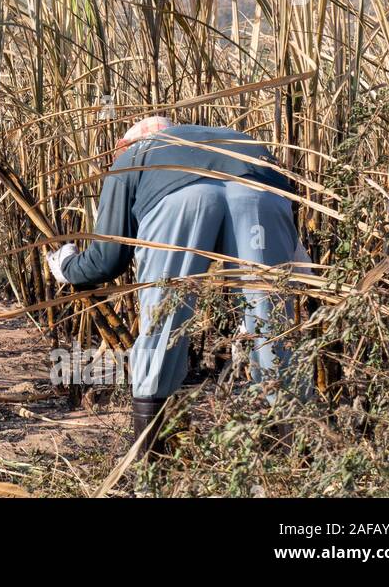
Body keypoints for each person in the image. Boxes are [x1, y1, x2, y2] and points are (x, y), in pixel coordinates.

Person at [46, 116, 303, 455]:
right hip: (261, 196)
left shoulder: (134, 155)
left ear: (127, 145)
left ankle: (151, 463)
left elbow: (107, 259)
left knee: (161, 326)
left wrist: (66, 266)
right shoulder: (238, 138)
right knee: (272, 329)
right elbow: (294, 239)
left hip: (183, 203)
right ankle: (286, 461)